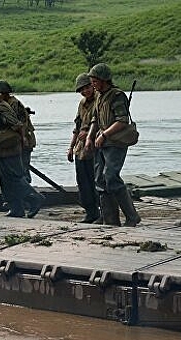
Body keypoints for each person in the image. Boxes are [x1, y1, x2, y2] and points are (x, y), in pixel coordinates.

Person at [84, 63, 141, 227]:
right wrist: (89, 138)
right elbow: (95, 119)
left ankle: (132, 216)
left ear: (103, 80)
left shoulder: (117, 96)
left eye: (95, 81)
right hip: (101, 143)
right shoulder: (99, 96)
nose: (93, 84)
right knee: (100, 179)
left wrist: (105, 134)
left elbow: (122, 121)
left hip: (116, 143)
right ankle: (110, 220)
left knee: (111, 177)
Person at [0, 84, 44, 218]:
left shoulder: (1, 109)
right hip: (3, 149)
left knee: (15, 178)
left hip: (10, 149)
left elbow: (17, 125)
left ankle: (34, 198)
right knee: (6, 180)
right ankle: (16, 208)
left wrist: (23, 139)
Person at [67, 73, 101, 223]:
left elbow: (103, 123)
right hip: (81, 149)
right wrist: (70, 147)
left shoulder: (100, 101)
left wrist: (88, 134)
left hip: (95, 147)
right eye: (82, 89)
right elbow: (77, 127)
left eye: (87, 87)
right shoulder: (82, 104)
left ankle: (101, 212)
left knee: (96, 181)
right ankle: (90, 212)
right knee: (83, 182)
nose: (85, 91)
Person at [0, 80, 36, 183]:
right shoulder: (6, 104)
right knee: (18, 170)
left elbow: (20, 124)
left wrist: (23, 139)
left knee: (22, 171)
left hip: (23, 141)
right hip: (18, 140)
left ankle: (29, 195)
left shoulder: (13, 104)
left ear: (2, 93)